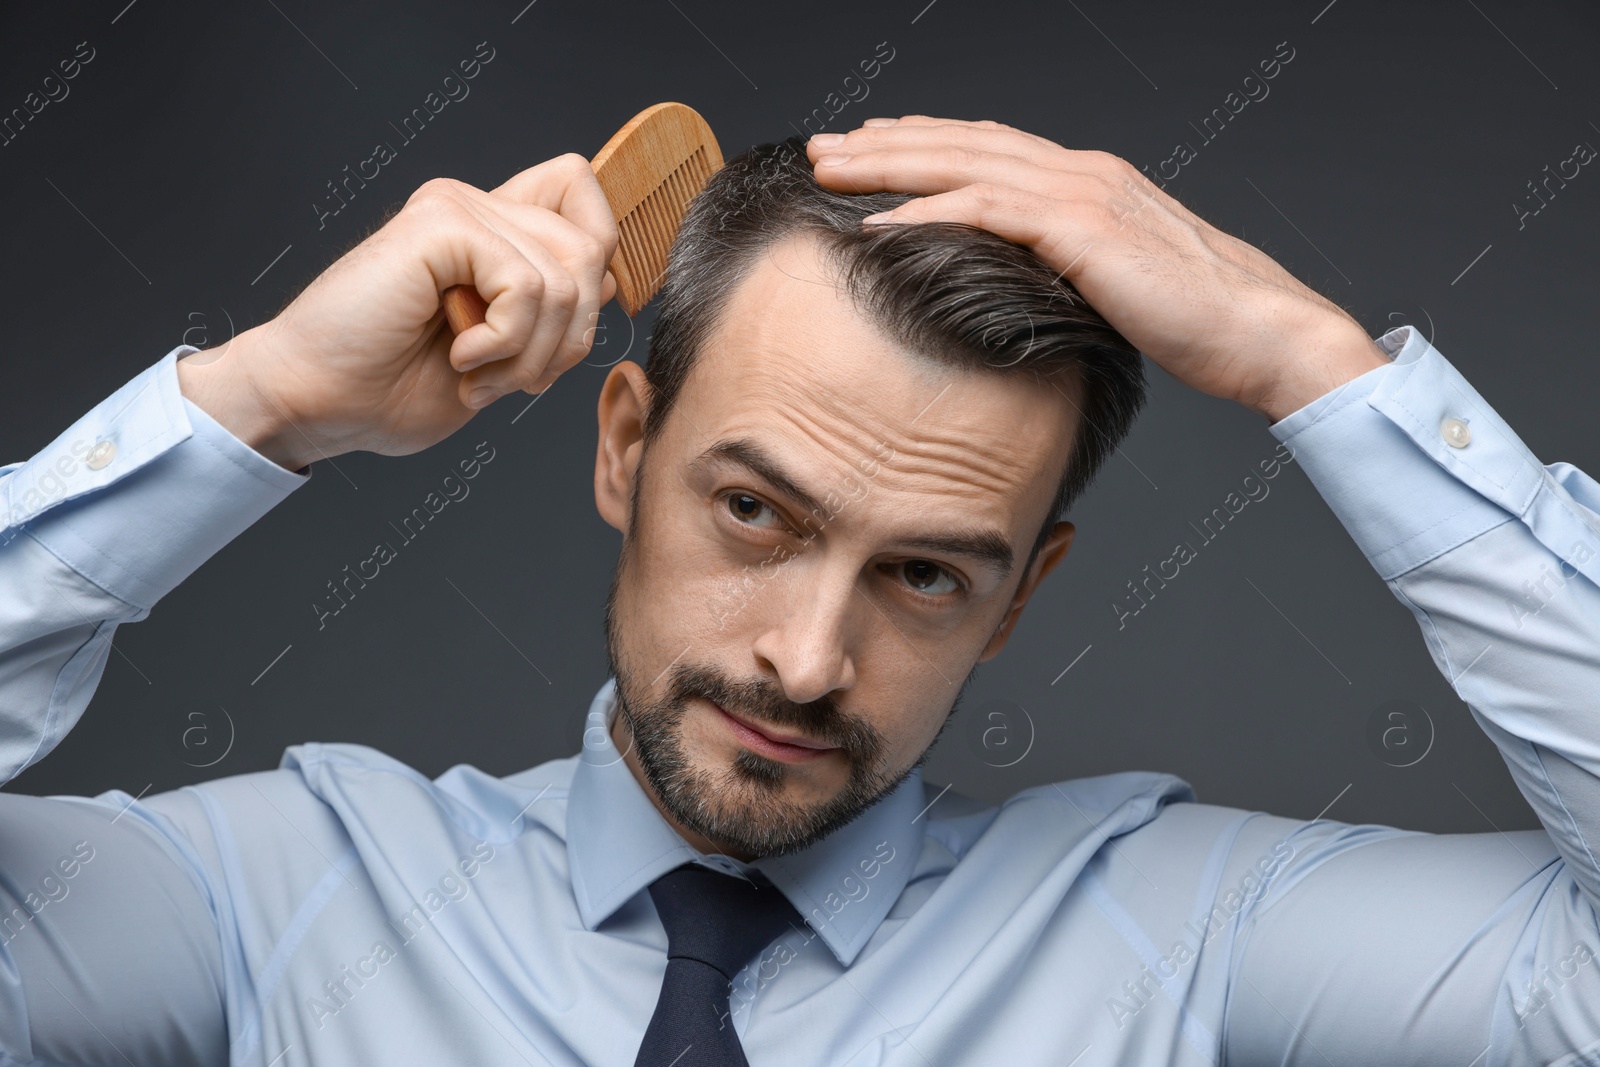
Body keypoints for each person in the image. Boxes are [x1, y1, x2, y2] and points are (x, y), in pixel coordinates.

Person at [1, 115, 1595, 1066]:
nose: (806, 658)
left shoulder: (1192, 932)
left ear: (1021, 597)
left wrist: (1317, 372)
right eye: (756, 512)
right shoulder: (269, 903)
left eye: (923, 574)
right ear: (624, 448)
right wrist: (261, 402)